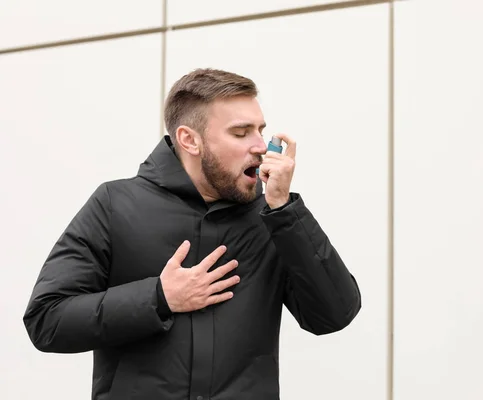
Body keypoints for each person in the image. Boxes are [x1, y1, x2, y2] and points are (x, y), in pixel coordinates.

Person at [23, 68, 361, 400]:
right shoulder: (114, 206)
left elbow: (333, 315)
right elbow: (47, 320)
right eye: (241, 132)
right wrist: (158, 298)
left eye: (261, 130)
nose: (261, 146)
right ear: (190, 140)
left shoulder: (272, 218)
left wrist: (284, 210)